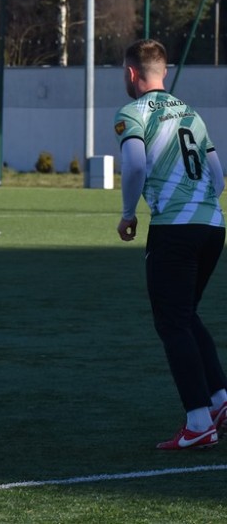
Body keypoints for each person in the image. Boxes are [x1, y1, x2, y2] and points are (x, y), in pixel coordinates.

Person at [115, 38, 227, 449]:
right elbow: (218, 176)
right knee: (185, 315)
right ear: (164, 71)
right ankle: (220, 401)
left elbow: (135, 164)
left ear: (132, 73)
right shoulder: (191, 114)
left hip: (174, 229)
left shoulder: (133, 112)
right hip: (212, 227)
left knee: (172, 322)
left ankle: (199, 422)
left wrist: (129, 212)